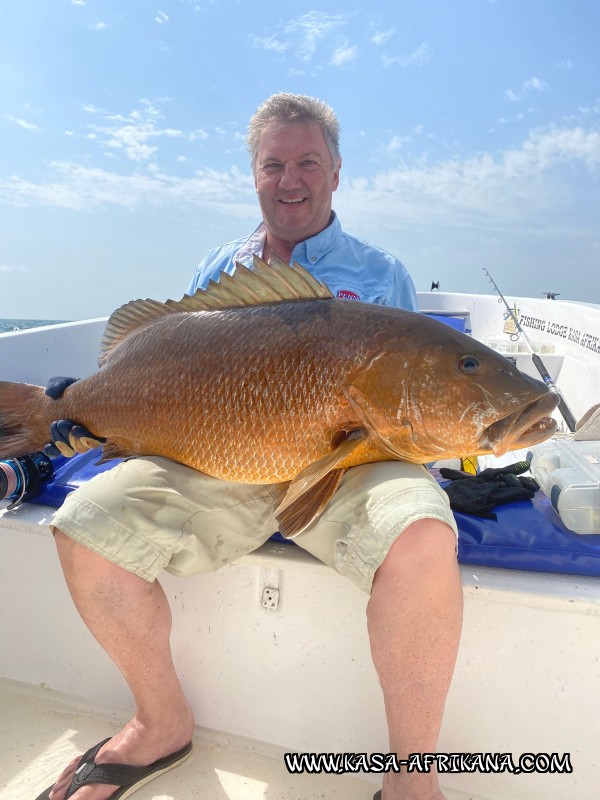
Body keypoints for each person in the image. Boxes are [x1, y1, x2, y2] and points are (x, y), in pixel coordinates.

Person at [37, 93, 462, 800]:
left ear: (335, 172)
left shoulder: (382, 273)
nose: (289, 179)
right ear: (253, 173)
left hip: (348, 463)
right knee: (85, 527)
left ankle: (411, 780)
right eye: (273, 164)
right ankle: (161, 721)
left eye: (307, 163)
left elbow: (409, 400)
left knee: (422, 535)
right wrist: (95, 417)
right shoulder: (218, 266)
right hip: (217, 464)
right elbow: (166, 367)